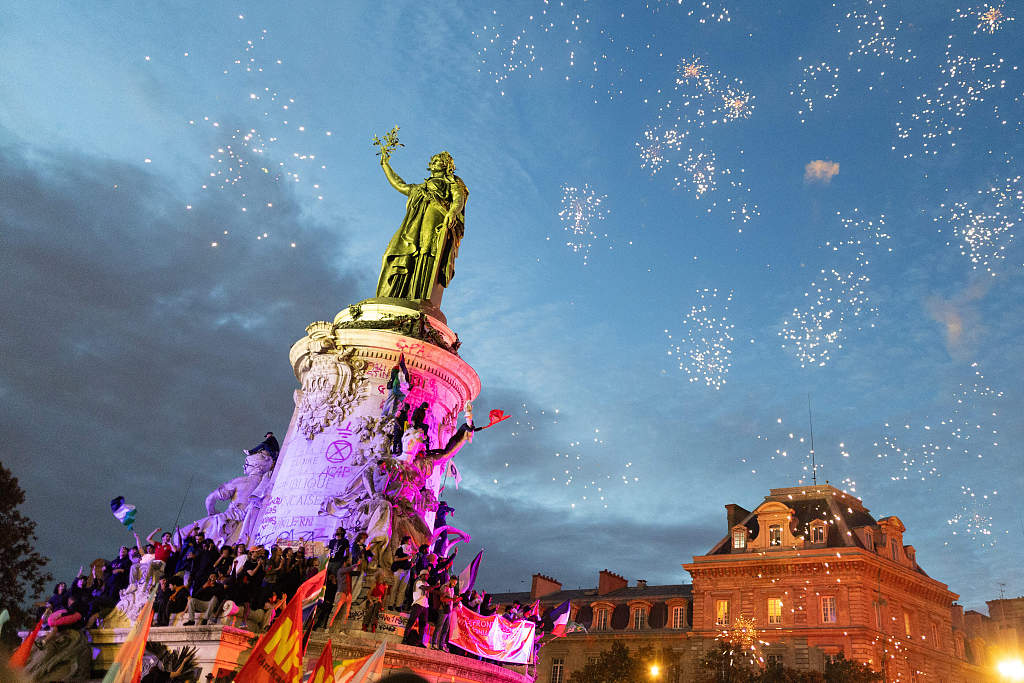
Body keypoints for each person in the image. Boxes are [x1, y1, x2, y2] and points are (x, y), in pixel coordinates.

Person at [375, 150, 468, 305]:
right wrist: (385, 165)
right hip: (413, 225)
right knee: (399, 253)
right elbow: (400, 185)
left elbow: (458, 199)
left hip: (436, 218)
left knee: (426, 252)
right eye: (436, 160)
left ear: (448, 167)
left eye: (442, 160)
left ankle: (419, 293)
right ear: (430, 164)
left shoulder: (453, 182)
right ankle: (398, 294)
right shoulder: (419, 188)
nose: (438, 162)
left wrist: (452, 212)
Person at [401, 570, 431, 647]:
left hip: (425, 606)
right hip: (417, 604)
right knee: (411, 621)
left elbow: (428, 592)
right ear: (422, 575)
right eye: (426, 575)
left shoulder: (427, 584)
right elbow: (425, 588)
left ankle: (420, 641)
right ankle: (404, 639)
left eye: (428, 575)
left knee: (422, 624)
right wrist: (435, 587)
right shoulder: (418, 582)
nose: (427, 577)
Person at [431, 576, 460, 651]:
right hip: (443, 609)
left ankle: (441, 645)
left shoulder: (452, 589)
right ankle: (434, 643)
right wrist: (452, 599)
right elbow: (442, 599)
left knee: (446, 629)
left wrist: (456, 600)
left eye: (455, 584)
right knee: (439, 626)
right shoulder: (444, 586)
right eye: (453, 583)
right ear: (450, 580)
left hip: (449, 610)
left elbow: (451, 600)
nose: (454, 585)